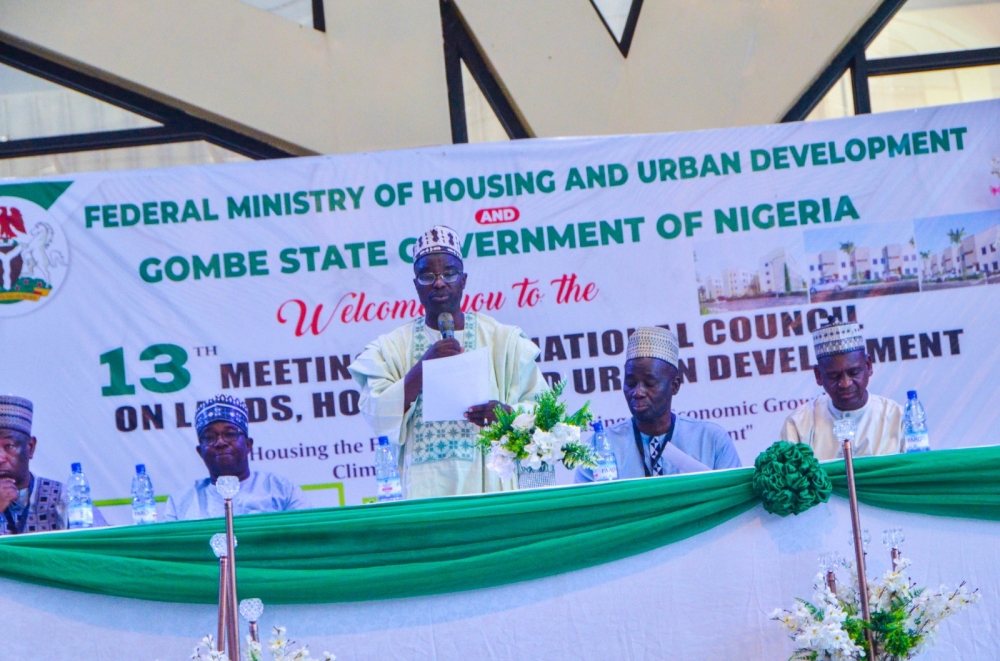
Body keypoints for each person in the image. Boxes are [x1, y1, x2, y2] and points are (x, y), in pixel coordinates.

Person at [350, 225, 547, 499]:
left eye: (449, 273)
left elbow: (546, 412)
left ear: (463, 280)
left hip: (489, 488)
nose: (439, 282)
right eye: (427, 275)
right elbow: (375, 415)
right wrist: (421, 370)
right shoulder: (391, 347)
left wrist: (508, 415)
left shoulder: (504, 341)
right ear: (416, 285)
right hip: (423, 493)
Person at [576, 327, 741, 481]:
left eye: (649, 383)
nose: (638, 392)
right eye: (631, 383)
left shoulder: (711, 440)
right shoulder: (599, 447)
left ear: (674, 386)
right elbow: (584, 509)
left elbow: (734, 503)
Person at [164, 394, 310, 521]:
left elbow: (307, 537)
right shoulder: (180, 502)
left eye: (230, 434)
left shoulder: (280, 489)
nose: (220, 442)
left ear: (248, 445)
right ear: (200, 452)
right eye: (209, 437)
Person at [780, 320, 903, 460]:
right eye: (834, 376)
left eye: (854, 372)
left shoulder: (896, 418)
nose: (845, 383)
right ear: (818, 375)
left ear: (868, 366)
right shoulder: (798, 424)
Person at [0, 395, 106, 534]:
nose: (1, 458)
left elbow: (98, 547)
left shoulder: (61, 498)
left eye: (9, 446)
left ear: (30, 447)